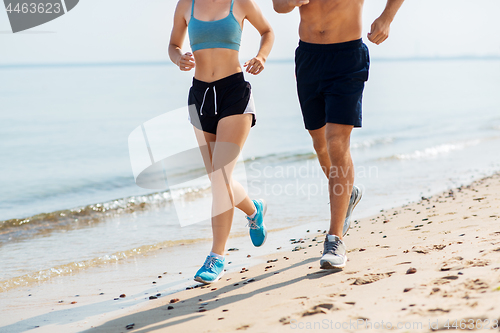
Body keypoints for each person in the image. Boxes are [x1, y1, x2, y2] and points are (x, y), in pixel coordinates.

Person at [272, 0, 404, 269]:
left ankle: (334, 239)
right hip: (308, 57)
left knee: (336, 142)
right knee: (320, 144)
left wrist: (386, 18)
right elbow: (279, 6)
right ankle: (349, 193)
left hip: (347, 57)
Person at [169, 0, 274, 283]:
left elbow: (267, 31)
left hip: (233, 92)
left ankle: (217, 256)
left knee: (220, 178)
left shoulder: (239, 2)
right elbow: (173, 45)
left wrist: (261, 57)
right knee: (218, 178)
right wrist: (179, 58)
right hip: (200, 95)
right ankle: (254, 210)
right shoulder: (186, 5)